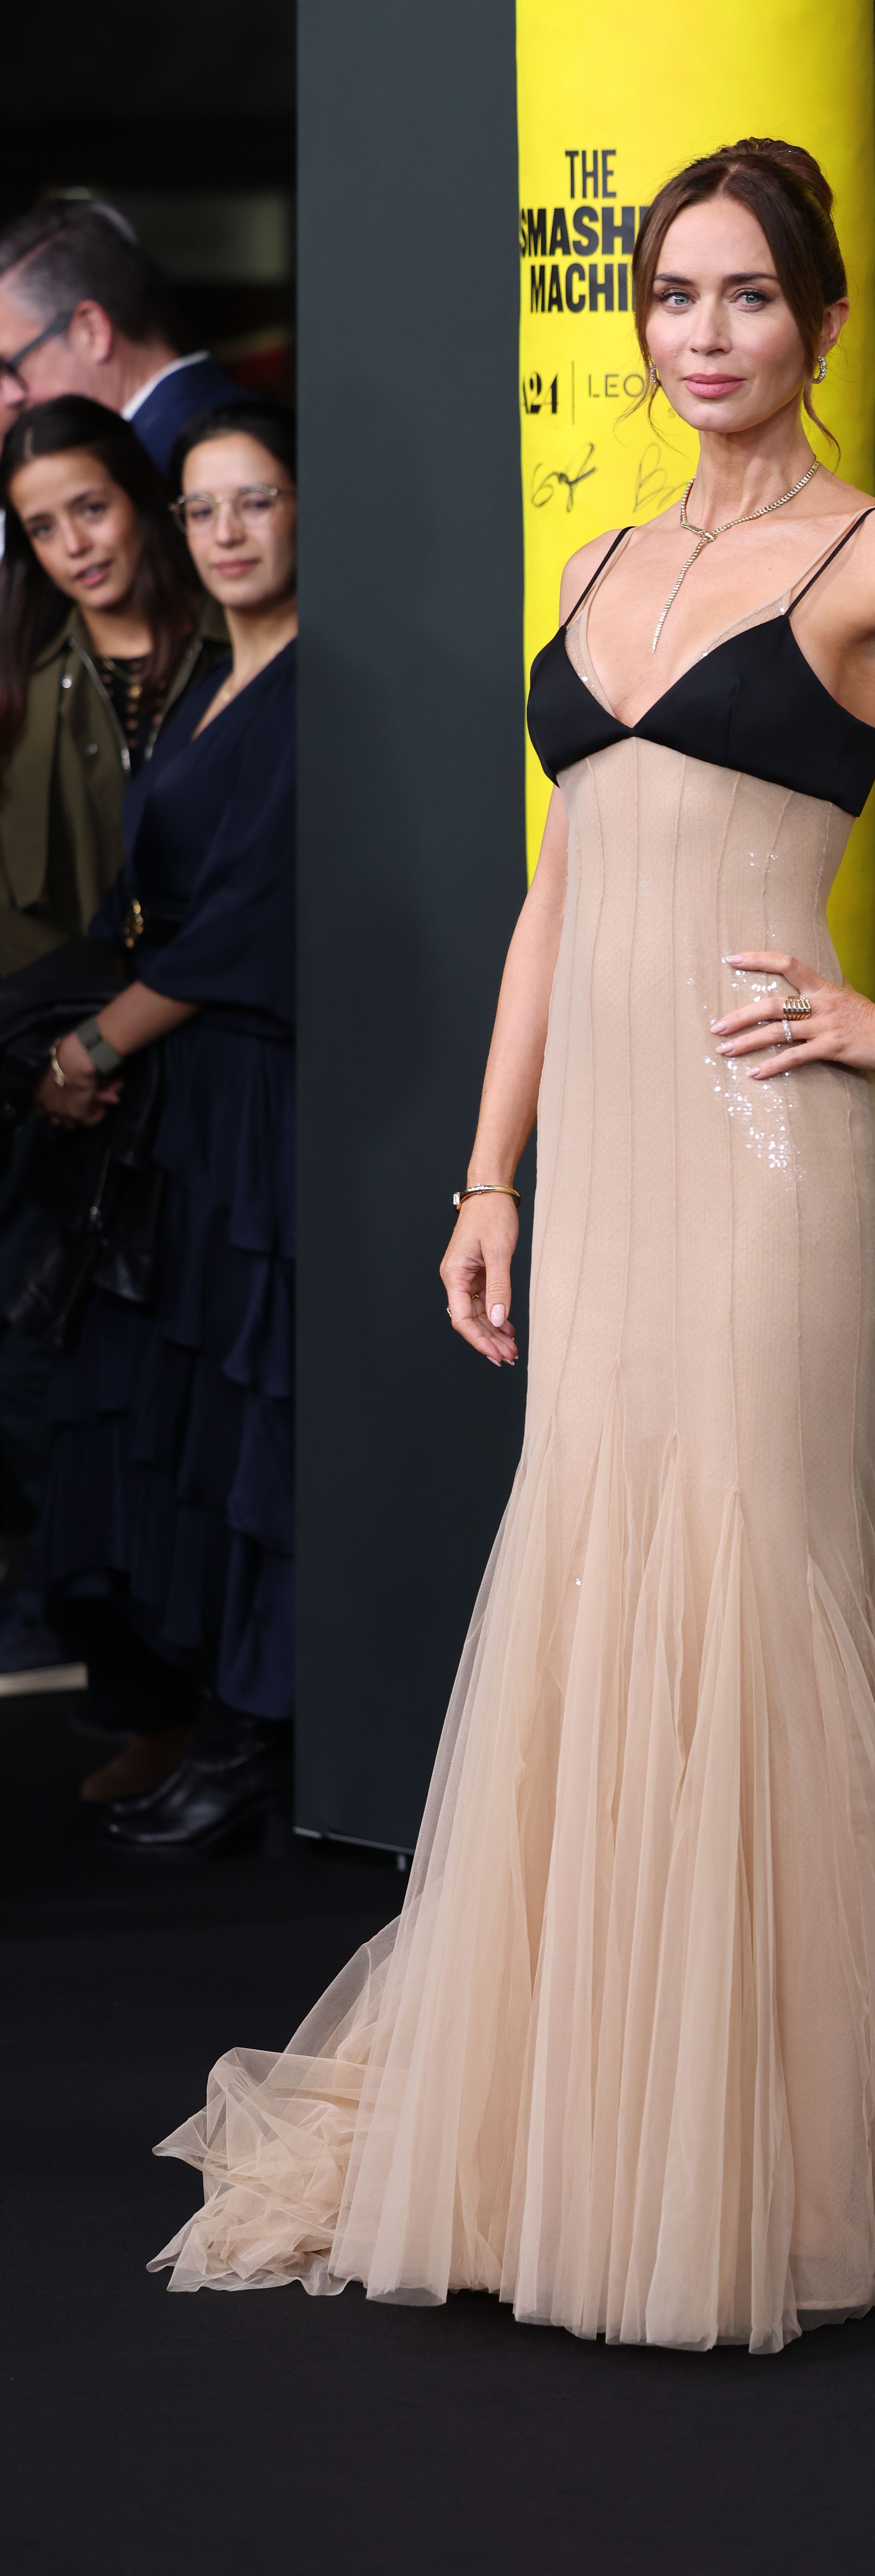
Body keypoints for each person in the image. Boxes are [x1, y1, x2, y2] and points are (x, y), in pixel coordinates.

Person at [149, 141, 875, 2354]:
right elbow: (560, 890)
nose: (704, 333)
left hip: (768, 1151)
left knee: (753, 1587)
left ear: (821, 320)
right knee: (594, 1587)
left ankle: (758, 2171)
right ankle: (583, 2147)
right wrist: (486, 1177)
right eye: (672, 295)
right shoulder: (597, 558)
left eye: (746, 296)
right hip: (595, 1164)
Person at [35, 399, 296, 1854]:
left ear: (302, 508)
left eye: (255, 500)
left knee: (258, 1409)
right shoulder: (212, 681)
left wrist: (92, 1040)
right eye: (203, 508)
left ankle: (258, 1738)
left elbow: (250, 923)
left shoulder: (308, 684)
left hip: (252, 1090)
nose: (227, 531)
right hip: (185, 1099)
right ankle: (214, 1716)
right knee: (188, 1410)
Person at [0, 396, 223, 1720]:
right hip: (55, 1094)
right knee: (51, 1385)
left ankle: (211, 1715)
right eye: (44, 526)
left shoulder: (234, 650)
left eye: (91, 507)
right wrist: (45, 1063)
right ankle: (137, 1701)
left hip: (209, 1068)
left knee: (202, 1389)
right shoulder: (26, 673)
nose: (77, 543)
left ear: (141, 498)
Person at [0, 203, 239, 477]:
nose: (12, 396)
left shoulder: (186, 465)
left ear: (92, 331)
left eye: (12, 367)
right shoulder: (219, 422)